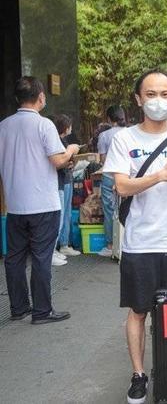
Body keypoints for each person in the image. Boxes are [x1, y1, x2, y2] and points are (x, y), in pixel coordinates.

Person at [102, 69, 167, 404]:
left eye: (164, 94)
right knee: (139, 311)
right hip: (140, 243)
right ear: (138, 99)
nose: (158, 101)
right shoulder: (124, 139)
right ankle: (139, 375)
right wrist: (159, 176)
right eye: (151, 94)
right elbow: (121, 185)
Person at [0, 76, 79, 324]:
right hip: (43, 203)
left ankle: (19, 307)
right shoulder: (44, 125)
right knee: (41, 257)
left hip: (15, 204)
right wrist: (72, 150)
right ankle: (42, 311)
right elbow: (58, 160)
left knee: (14, 258)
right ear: (41, 97)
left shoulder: (3, 125)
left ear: (17, 98)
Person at [97, 105, 127, 258]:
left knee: (110, 211)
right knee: (129, 209)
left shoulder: (104, 135)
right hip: (129, 178)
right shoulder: (131, 133)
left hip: (109, 176)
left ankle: (110, 245)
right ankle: (127, 244)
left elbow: (102, 159)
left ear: (109, 119)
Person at [52, 114, 81, 264]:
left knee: (66, 214)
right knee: (61, 214)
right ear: (65, 127)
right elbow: (57, 162)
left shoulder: (63, 140)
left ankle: (63, 244)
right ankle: (53, 249)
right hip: (60, 181)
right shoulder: (56, 142)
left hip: (66, 179)